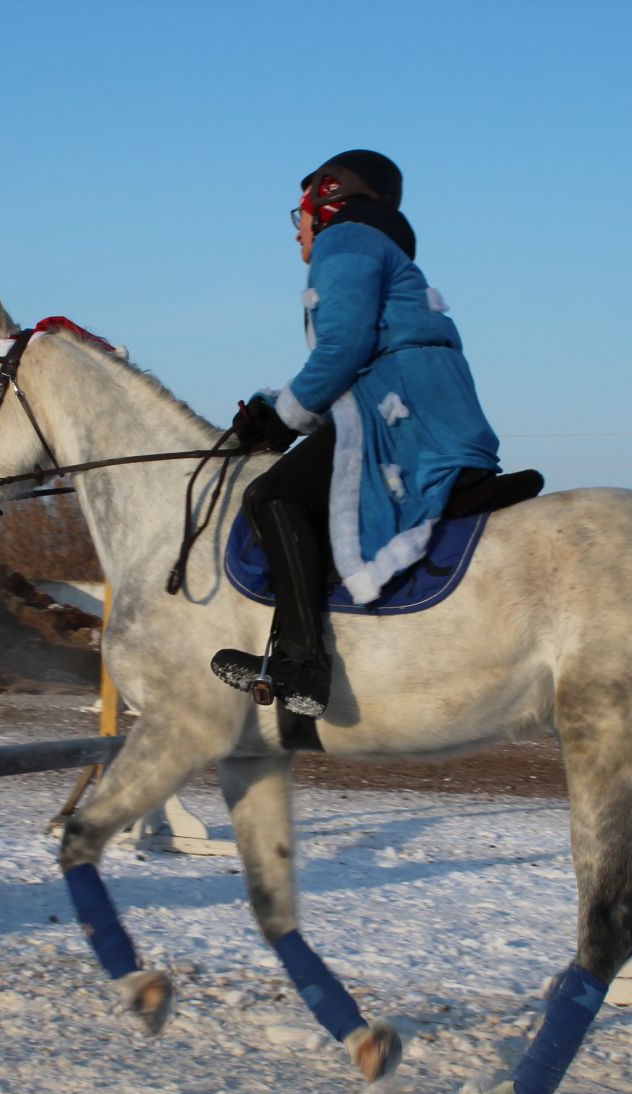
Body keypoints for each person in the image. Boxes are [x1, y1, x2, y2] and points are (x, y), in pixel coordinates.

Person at [211, 149, 503, 717]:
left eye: (298, 216)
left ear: (324, 201)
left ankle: (301, 665)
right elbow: (354, 366)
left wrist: (279, 418)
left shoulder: (345, 241)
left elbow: (344, 351)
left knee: (271, 494)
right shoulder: (380, 248)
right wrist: (274, 407)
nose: (297, 232)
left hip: (403, 414)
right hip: (422, 408)